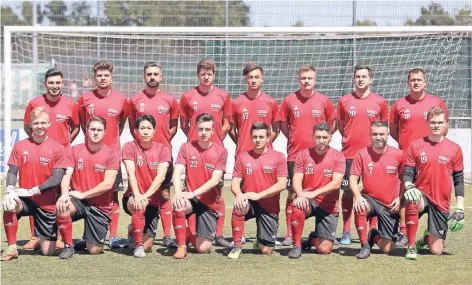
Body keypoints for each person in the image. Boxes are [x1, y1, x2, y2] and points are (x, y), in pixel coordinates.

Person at [389, 68, 449, 246]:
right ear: (408, 83)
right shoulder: (399, 104)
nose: (416, 82)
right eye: (413, 80)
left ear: (425, 83)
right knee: (405, 193)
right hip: (407, 158)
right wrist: (407, 147)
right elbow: (393, 130)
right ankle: (404, 232)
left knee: (435, 194)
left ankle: (433, 232)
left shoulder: (436, 101)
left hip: (430, 161)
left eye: (419, 80)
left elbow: (444, 126)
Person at [278, 64, 336, 246]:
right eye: (303, 78)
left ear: (315, 79)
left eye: (309, 78)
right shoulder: (289, 100)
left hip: (319, 156)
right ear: (298, 79)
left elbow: (331, 125)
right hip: (295, 154)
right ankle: (290, 234)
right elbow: (284, 126)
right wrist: (296, 139)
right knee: (293, 193)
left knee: (321, 193)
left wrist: (319, 143)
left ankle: (321, 229)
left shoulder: (324, 101)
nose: (306, 81)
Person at [22, 68, 79, 250]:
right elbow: (27, 126)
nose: (54, 86)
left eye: (57, 83)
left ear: (62, 84)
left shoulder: (71, 104)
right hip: (38, 157)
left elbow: (76, 127)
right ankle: (35, 236)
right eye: (51, 83)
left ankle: (60, 235)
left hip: (61, 158)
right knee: (34, 193)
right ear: (45, 84)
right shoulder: (34, 103)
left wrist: (64, 145)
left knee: (60, 195)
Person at [1, 107, 67, 261]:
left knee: (47, 252)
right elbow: (12, 171)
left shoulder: (57, 148)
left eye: (43, 122)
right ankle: (11, 248)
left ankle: (47, 240)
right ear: (30, 124)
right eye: (36, 123)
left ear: (49, 124)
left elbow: (57, 177)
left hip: (47, 203)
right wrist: (10, 189)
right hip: (25, 199)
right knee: (10, 203)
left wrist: (35, 190)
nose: (39, 126)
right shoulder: (20, 146)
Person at [179, 59, 232, 248]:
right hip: (194, 152)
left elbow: (227, 122)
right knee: (190, 190)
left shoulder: (223, 96)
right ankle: (192, 233)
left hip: (214, 152)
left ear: (214, 75)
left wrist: (217, 138)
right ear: (198, 75)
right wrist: (194, 139)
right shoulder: (187, 96)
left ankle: (218, 234)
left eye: (209, 73)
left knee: (217, 192)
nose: (206, 76)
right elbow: (184, 123)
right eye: (203, 73)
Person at [128, 62, 179, 248]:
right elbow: (133, 124)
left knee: (164, 193)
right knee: (139, 192)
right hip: (141, 156)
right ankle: (136, 226)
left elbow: (174, 125)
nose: (152, 77)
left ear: (161, 77)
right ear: (144, 77)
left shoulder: (170, 100)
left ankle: (166, 236)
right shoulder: (134, 100)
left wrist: (161, 143)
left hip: (163, 155)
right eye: (149, 74)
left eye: (156, 74)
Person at [77, 61, 128, 249]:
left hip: (112, 156)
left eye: (106, 75)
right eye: (99, 75)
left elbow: (121, 124)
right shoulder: (85, 99)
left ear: (111, 77)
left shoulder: (122, 100)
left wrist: (110, 143)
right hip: (89, 156)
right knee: (87, 196)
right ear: (94, 77)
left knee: (112, 197)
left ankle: (113, 236)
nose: (103, 78)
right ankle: (87, 235)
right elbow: (84, 124)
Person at [403, 106, 464, 260]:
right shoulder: (416, 145)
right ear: (427, 123)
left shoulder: (454, 149)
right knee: (412, 200)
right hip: (422, 194)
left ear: (445, 124)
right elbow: (408, 172)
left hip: (441, 201)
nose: (436, 125)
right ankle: (411, 246)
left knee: (436, 251)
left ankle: (425, 238)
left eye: (439, 122)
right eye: (432, 122)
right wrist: (409, 185)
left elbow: (459, 179)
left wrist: (460, 207)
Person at [336, 65, 388, 245]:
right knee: (349, 192)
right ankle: (346, 231)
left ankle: (372, 228)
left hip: (373, 155)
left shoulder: (380, 102)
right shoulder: (344, 101)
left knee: (372, 192)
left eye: (364, 76)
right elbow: (342, 126)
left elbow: (383, 129)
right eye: (357, 76)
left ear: (370, 79)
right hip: (349, 154)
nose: (360, 79)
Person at [55, 115, 120, 259]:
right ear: (87, 131)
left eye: (99, 130)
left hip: (100, 206)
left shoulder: (112, 154)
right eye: (92, 129)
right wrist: (65, 194)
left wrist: (84, 194)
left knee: (94, 250)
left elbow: (108, 184)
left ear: (105, 132)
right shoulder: (74, 150)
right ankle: (68, 245)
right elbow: (66, 175)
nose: (96, 132)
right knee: (63, 206)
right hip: (78, 200)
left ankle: (87, 239)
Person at [171, 113, 228, 259]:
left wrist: (193, 193)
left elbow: (215, 180)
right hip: (189, 197)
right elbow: (177, 172)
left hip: (208, 202)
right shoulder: (186, 147)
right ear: (196, 129)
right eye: (201, 129)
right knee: (179, 204)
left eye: (207, 129)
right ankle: (181, 246)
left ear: (213, 130)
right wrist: (178, 192)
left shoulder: (221, 151)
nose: (203, 133)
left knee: (203, 248)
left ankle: (190, 235)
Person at [228, 122, 287, 259]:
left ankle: (260, 240)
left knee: (266, 251)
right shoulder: (243, 157)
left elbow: (282, 184)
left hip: (269, 206)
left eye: (261, 137)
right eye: (255, 137)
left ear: (268, 138)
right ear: (251, 137)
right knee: (239, 205)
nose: (258, 140)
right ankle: (237, 246)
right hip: (249, 203)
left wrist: (259, 195)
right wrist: (239, 195)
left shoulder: (278, 157)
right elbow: (235, 183)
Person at [287, 122, 345, 259]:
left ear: (330, 138)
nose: (321, 140)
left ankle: (313, 239)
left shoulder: (338, 156)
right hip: (308, 200)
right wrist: (301, 195)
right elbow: (296, 179)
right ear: (312, 137)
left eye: (325, 137)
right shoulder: (303, 155)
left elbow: (336, 184)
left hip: (328, 205)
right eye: (318, 137)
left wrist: (313, 193)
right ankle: (296, 245)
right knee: (297, 205)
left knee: (324, 249)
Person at [350, 121, 403, 259]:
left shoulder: (398, 155)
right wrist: (357, 196)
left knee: (388, 249)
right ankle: (364, 246)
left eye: (381, 134)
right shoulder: (362, 154)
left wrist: (400, 198)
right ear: (370, 135)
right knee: (360, 207)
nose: (378, 137)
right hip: (370, 199)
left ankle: (373, 236)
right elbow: (353, 178)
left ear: (388, 135)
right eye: (375, 134)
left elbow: (406, 180)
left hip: (390, 205)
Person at [122, 114, 171, 258]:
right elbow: (131, 174)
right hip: (133, 197)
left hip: (152, 200)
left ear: (154, 130)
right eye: (142, 128)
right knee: (138, 205)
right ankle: (137, 247)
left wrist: (146, 195)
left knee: (148, 246)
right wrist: (137, 195)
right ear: (136, 130)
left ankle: (133, 230)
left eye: (149, 128)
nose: (145, 131)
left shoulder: (163, 149)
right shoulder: (129, 147)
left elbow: (161, 177)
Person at [229, 63, 280, 157]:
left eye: (257, 77)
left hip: (265, 155)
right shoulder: (236, 102)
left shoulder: (271, 102)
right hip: (243, 154)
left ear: (262, 80)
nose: (253, 81)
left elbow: (276, 130)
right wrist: (242, 145)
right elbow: (231, 131)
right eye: (250, 77)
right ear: (246, 80)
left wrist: (263, 144)